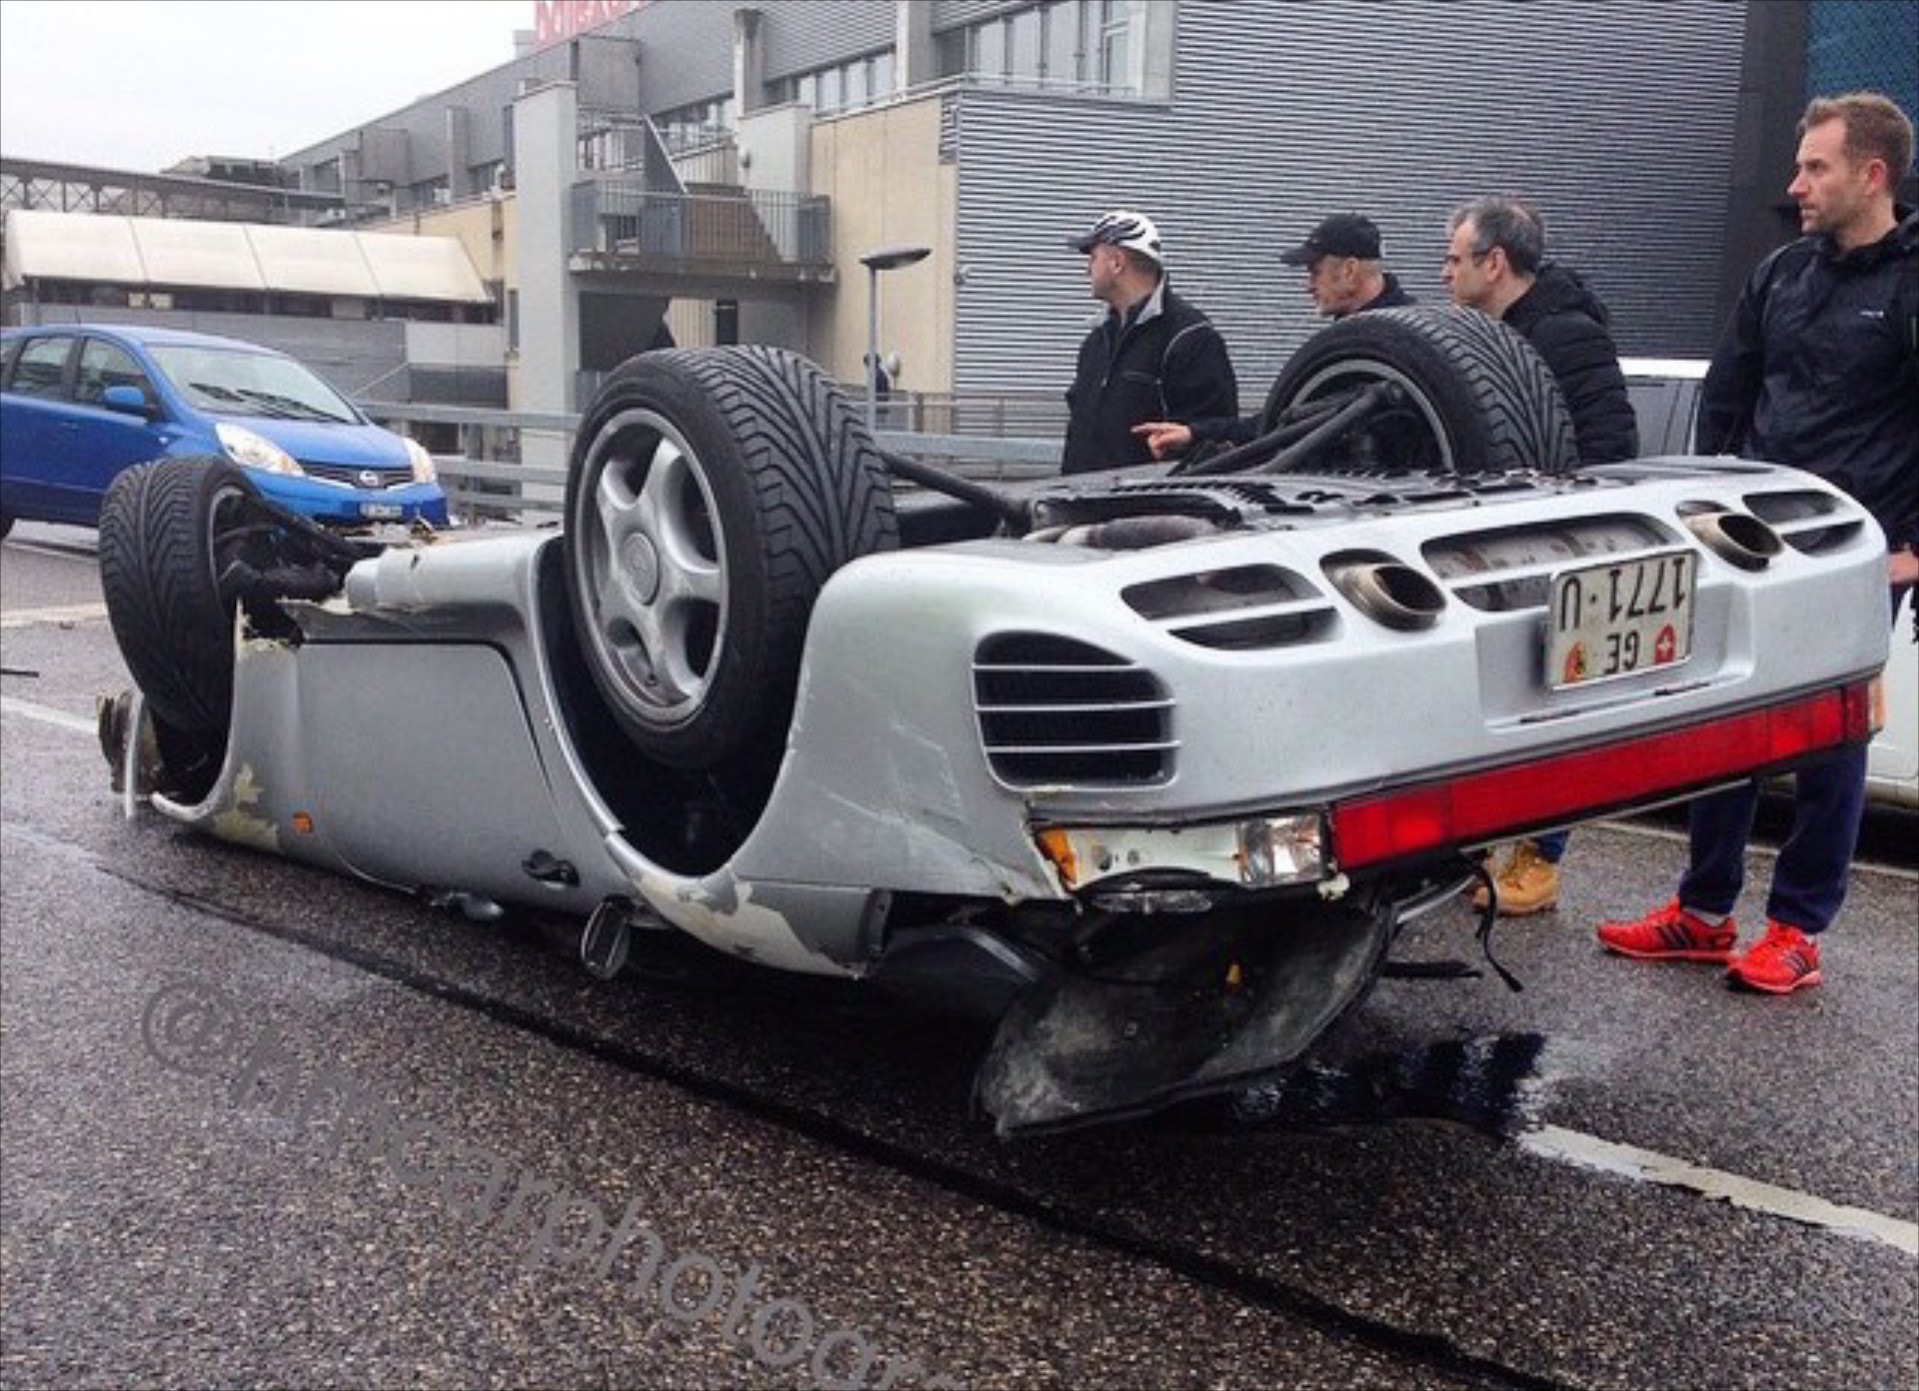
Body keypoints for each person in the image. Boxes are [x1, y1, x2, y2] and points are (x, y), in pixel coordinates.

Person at [1596, 91, 1917, 993]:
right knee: (1723, 726)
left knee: (1827, 742)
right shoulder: (1781, 273)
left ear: (1871, 173)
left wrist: (1913, 551)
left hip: (1857, 555)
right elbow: (1725, 405)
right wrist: (1710, 519)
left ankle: (1795, 928)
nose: (1795, 184)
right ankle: (1701, 913)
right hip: (1754, 549)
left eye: (1815, 167)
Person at [1442, 194, 1641, 916]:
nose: (1442, 272)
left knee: (1554, 709)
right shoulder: (1480, 334)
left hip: (1554, 553)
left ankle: (1537, 855)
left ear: (1494, 263)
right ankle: (1486, 847)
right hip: (1490, 549)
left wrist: (1565, 532)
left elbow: (1610, 445)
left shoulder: (1565, 335)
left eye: (1454, 257)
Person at [1133, 212, 1413, 460]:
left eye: (1315, 272)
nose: (1308, 286)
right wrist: (1195, 434)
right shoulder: (1346, 340)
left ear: (1349, 270)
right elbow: (1284, 419)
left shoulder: (1408, 340)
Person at [1061, 209, 1238, 474]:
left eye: (1093, 256)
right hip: (1082, 505)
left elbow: (1217, 437)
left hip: (1152, 510)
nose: (1087, 268)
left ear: (1117, 262)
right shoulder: (1096, 342)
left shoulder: (1191, 337)